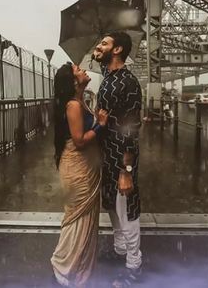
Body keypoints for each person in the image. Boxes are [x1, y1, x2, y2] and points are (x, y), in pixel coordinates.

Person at [51, 62, 108, 288]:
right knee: (78, 218)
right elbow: (80, 141)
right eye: (78, 70)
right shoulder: (73, 105)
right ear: (74, 81)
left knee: (85, 218)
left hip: (85, 168)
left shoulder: (81, 100)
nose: (84, 71)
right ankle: (67, 267)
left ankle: (79, 267)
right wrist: (101, 125)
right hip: (77, 168)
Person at [93, 31, 142, 286]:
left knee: (127, 210)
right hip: (106, 155)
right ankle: (120, 249)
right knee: (111, 203)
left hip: (121, 158)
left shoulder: (128, 82)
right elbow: (108, 116)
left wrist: (126, 169)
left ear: (118, 50)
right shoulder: (108, 78)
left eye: (104, 42)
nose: (98, 46)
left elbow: (132, 128)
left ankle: (134, 264)